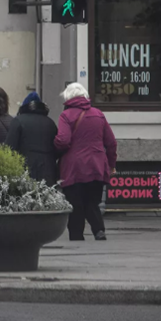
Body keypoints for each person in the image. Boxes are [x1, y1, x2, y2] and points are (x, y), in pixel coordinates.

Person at [55, 83, 117, 241]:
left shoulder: (66, 115)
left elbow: (63, 140)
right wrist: (111, 165)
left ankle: (77, 235)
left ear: (68, 97)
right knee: (92, 202)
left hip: (74, 167)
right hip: (97, 165)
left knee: (75, 204)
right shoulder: (98, 114)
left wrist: (54, 145)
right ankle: (99, 230)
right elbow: (111, 143)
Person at [6, 92, 59, 186]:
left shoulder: (18, 121)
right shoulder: (50, 123)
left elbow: (9, 148)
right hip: (48, 171)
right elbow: (57, 148)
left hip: (24, 170)